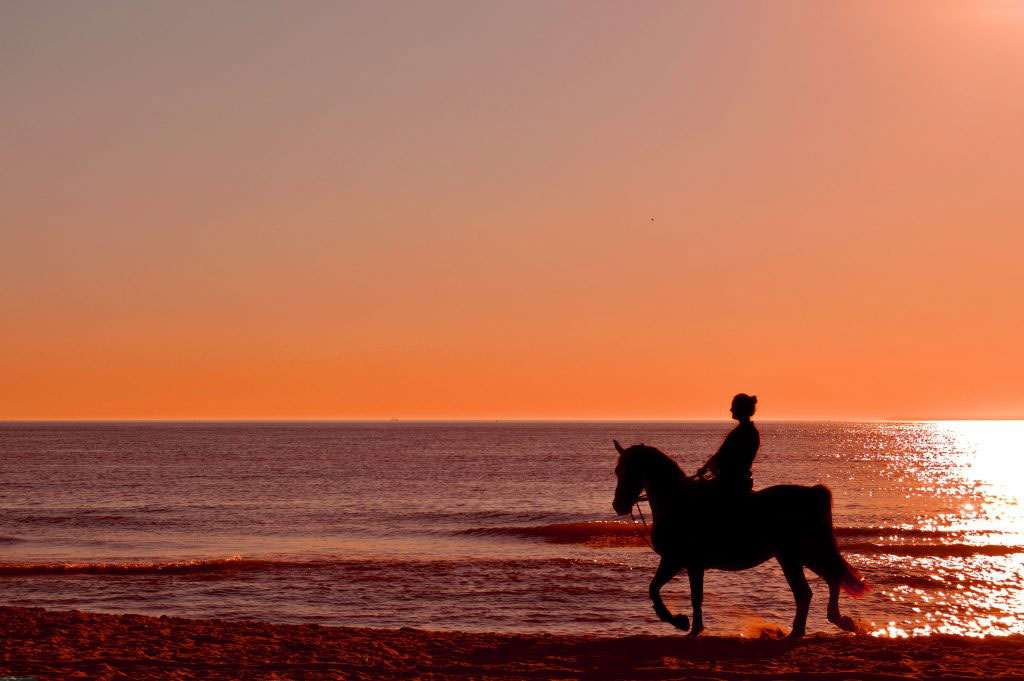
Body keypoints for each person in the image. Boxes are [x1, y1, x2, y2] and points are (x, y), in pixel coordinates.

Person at [695, 393, 759, 496]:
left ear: (740, 409)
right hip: (741, 481)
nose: (730, 410)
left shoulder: (740, 432)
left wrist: (703, 470)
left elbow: (720, 456)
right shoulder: (751, 431)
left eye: (733, 406)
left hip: (730, 483)